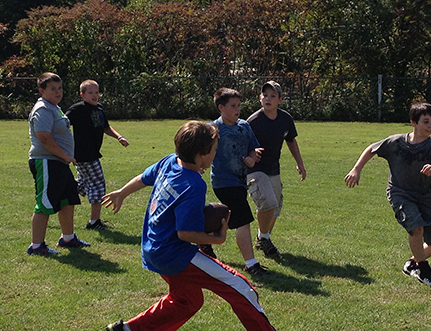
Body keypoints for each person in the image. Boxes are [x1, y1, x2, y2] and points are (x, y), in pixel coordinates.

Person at [102, 121, 276, 331]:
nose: (215, 153)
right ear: (202, 154)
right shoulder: (193, 184)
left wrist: (122, 192)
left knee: (188, 301)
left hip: (153, 248)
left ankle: (128, 329)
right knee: (239, 286)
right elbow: (185, 233)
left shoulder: (169, 162)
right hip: (173, 253)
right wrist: (216, 239)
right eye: (214, 150)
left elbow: (143, 178)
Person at [344, 102, 431, 287]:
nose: (430, 126)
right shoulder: (396, 142)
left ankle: (412, 263)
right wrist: (356, 169)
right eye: (425, 121)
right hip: (400, 193)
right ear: (413, 122)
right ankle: (423, 270)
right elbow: (371, 149)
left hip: (425, 196)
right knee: (416, 227)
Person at [204, 87, 268, 275]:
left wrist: (251, 157)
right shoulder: (212, 129)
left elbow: (253, 149)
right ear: (221, 108)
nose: (237, 109)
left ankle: (204, 241)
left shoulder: (244, 126)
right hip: (223, 181)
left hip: (240, 181)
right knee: (243, 219)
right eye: (233, 106)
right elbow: (202, 152)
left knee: (226, 216)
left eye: (238, 105)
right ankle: (251, 264)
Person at [27, 72, 90, 255]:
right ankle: (37, 246)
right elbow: (44, 138)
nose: (58, 92)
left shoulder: (54, 107)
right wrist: (65, 155)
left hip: (59, 162)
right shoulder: (43, 109)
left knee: (67, 200)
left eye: (60, 88)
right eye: (52, 89)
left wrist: (65, 158)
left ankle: (67, 238)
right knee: (45, 204)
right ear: (42, 91)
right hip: (47, 162)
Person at [246, 81, 306, 258]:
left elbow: (291, 141)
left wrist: (300, 163)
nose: (268, 99)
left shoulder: (285, 119)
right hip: (255, 169)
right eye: (265, 95)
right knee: (267, 202)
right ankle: (265, 239)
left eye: (273, 96)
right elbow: (243, 143)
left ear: (280, 99)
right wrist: (251, 152)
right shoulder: (253, 121)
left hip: (273, 169)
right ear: (260, 98)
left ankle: (262, 238)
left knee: (275, 208)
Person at [66, 80, 129, 230]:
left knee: (81, 185)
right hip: (84, 156)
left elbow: (106, 127)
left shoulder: (99, 109)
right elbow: (62, 125)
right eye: (90, 93)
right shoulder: (77, 110)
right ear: (82, 95)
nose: (94, 96)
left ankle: (61, 195)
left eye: (96, 92)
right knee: (98, 185)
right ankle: (94, 222)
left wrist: (119, 137)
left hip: (93, 153)